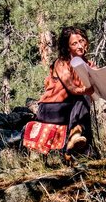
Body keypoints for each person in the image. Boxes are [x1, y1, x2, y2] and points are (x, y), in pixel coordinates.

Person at [31, 26, 97, 155]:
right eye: (74, 43)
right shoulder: (61, 63)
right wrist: (87, 90)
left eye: (81, 41)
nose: (79, 46)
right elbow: (72, 89)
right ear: (68, 48)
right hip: (50, 109)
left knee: (84, 101)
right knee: (83, 98)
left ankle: (82, 150)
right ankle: (76, 137)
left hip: (72, 109)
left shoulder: (89, 65)